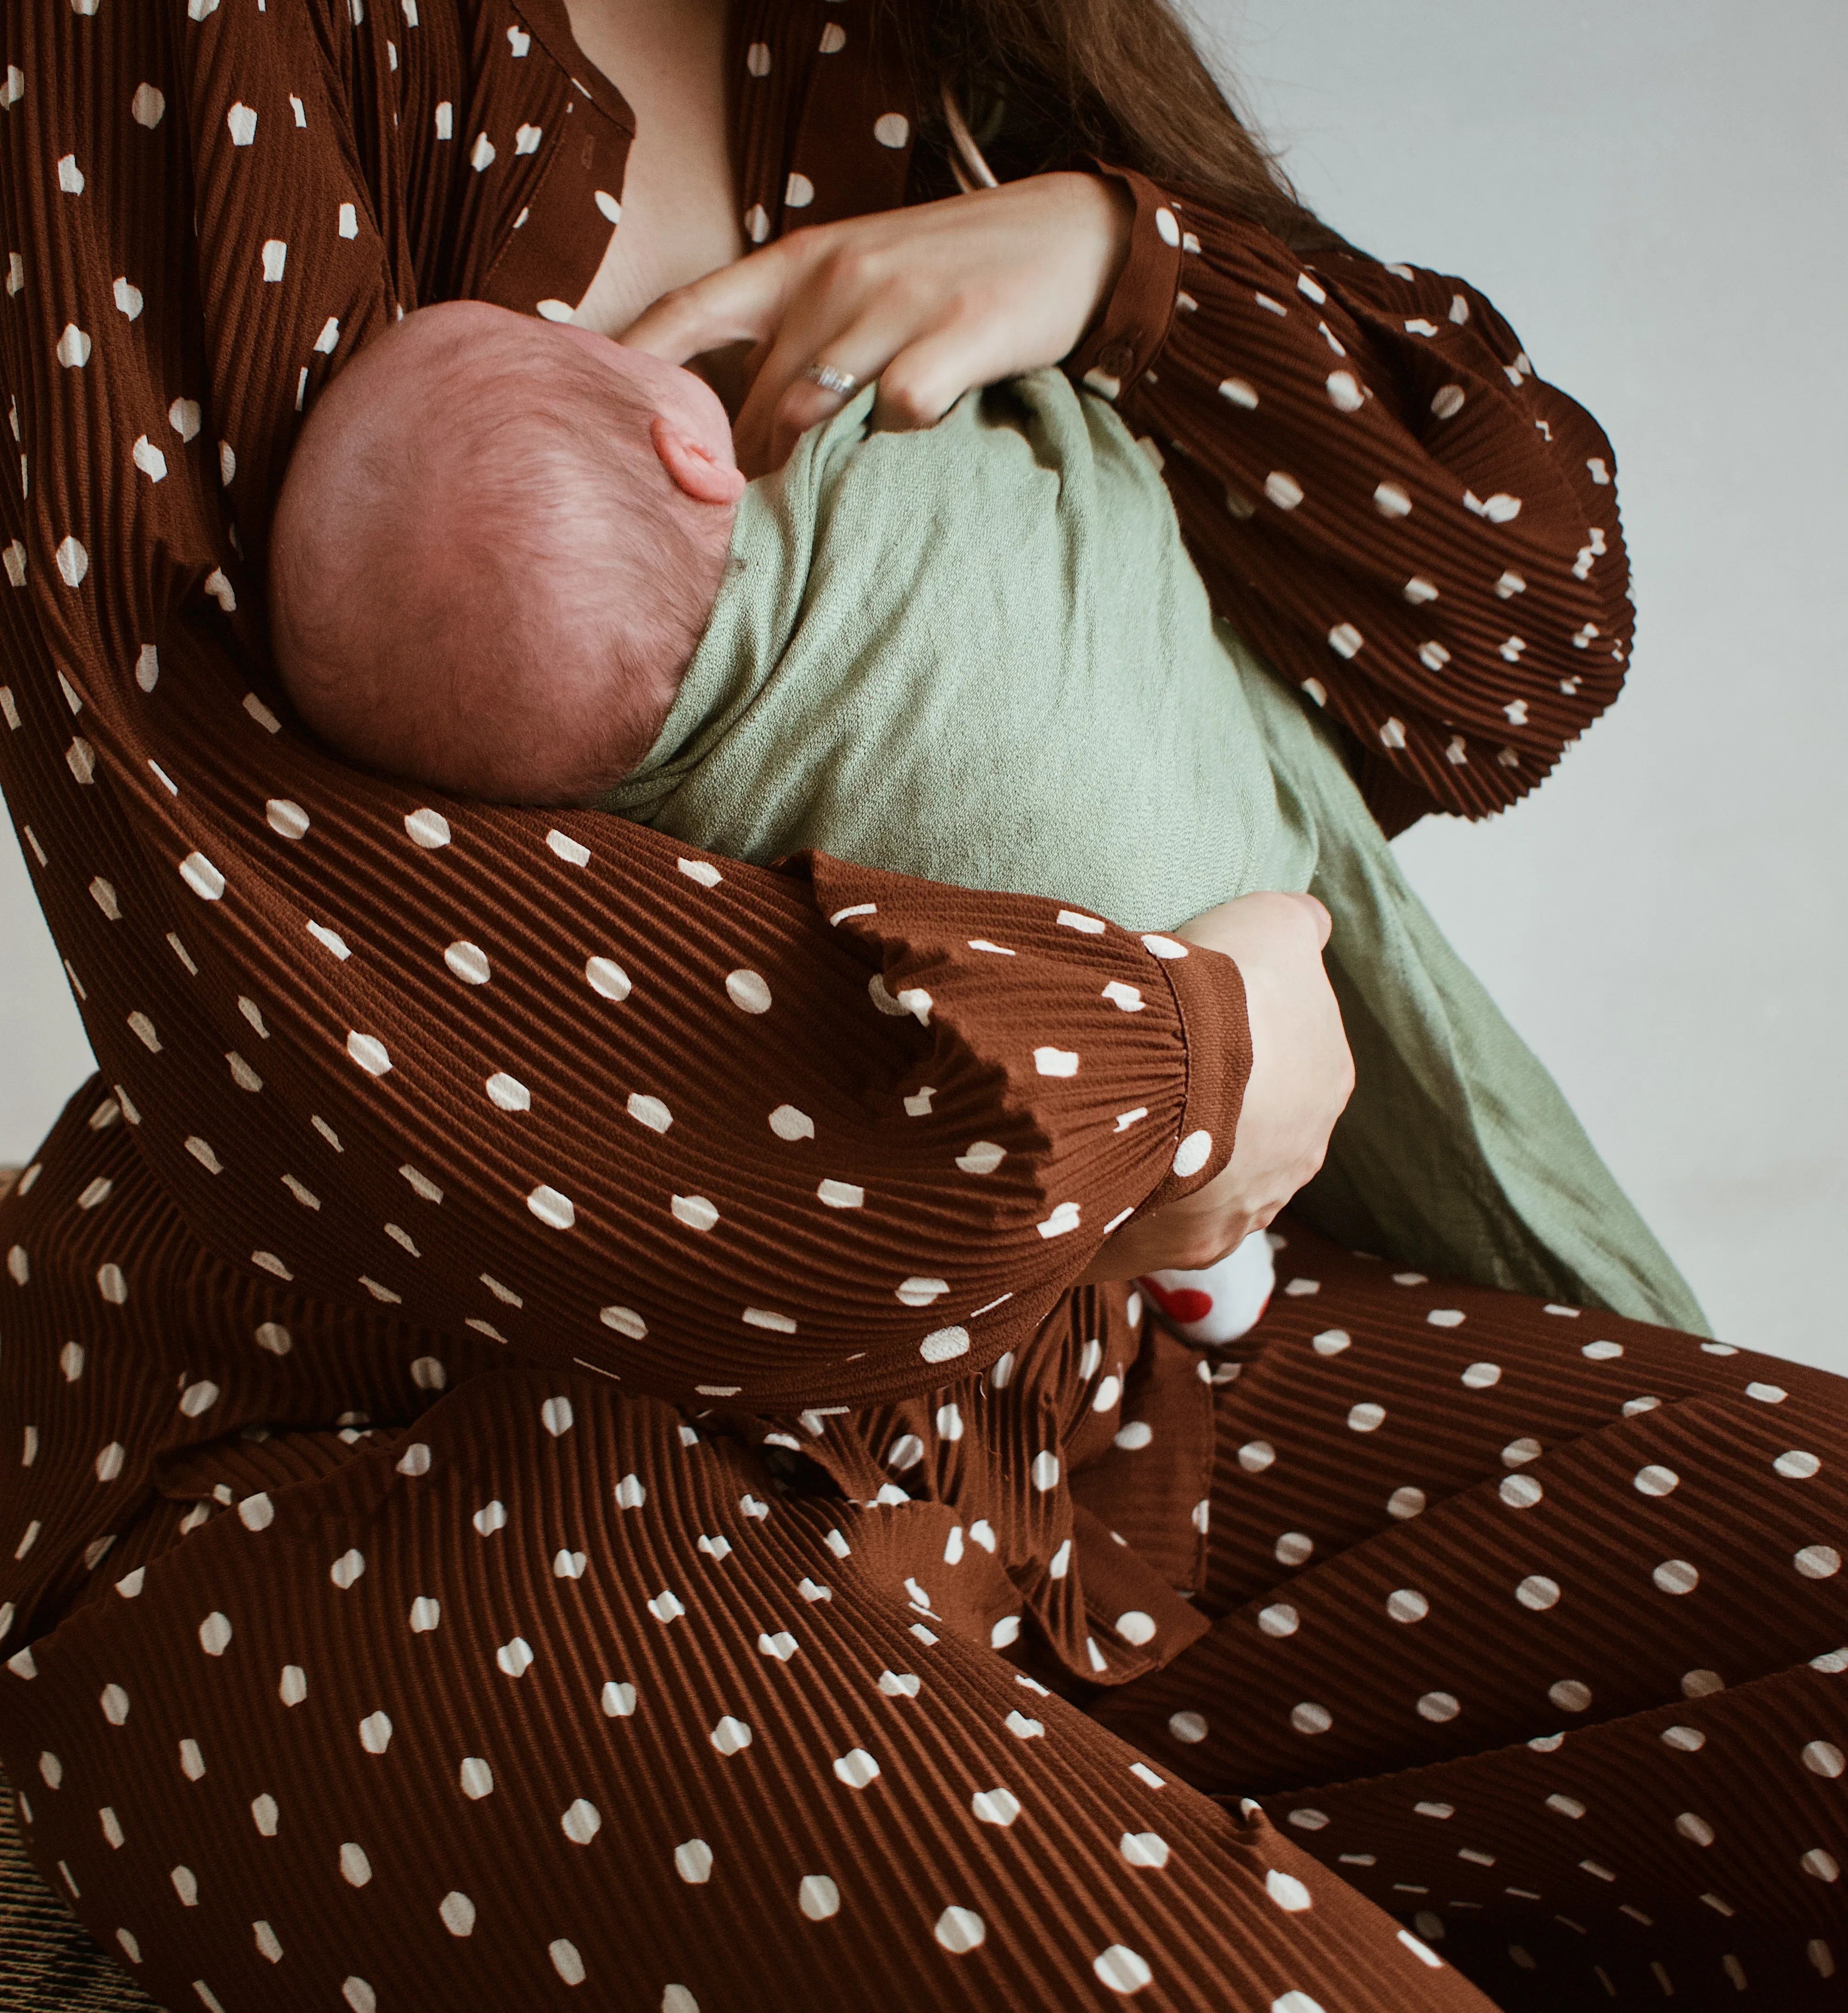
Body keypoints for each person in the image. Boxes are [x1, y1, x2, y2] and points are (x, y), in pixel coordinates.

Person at [0, 8, 1839, 2013]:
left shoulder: (950, 39)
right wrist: (1171, 1062)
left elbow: (1507, 652)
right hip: (397, 1453)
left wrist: (1127, 269)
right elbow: (301, 961)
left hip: (1099, 1394)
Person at [267, 305, 1697, 1330]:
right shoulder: (865, 465)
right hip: (1259, 852)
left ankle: (1211, 1274)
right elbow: (1085, 458)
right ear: (698, 458)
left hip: (1135, 1079)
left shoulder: (649, 831)